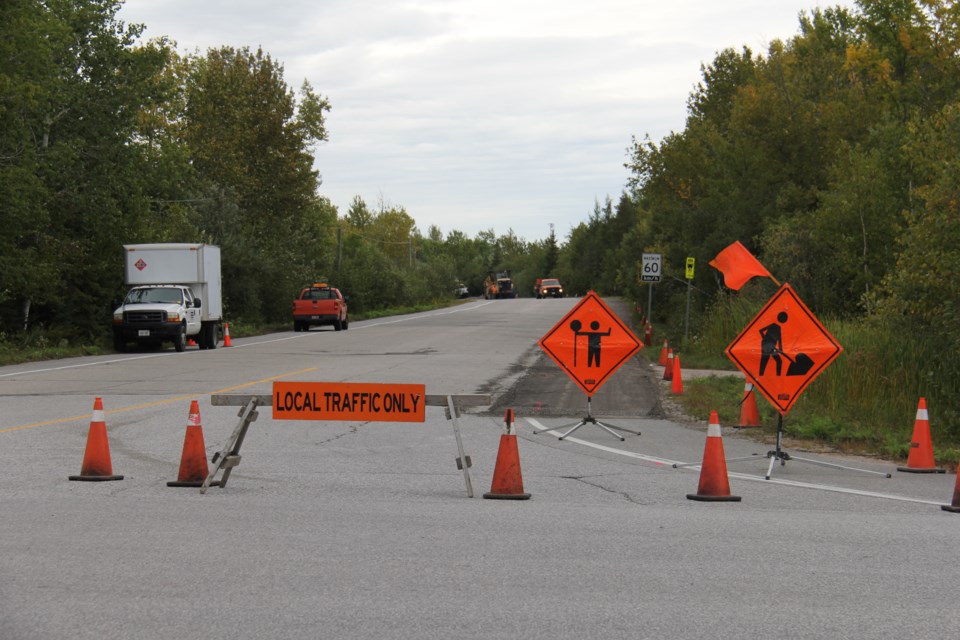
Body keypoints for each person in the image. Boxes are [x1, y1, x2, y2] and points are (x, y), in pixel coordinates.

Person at [759, 311, 788, 376]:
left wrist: (781, 349)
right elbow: (761, 331)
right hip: (767, 345)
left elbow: (779, 339)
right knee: (766, 359)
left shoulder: (777, 327)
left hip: (769, 345)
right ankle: (762, 375)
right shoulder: (774, 325)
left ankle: (762, 375)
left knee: (769, 360)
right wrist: (765, 339)